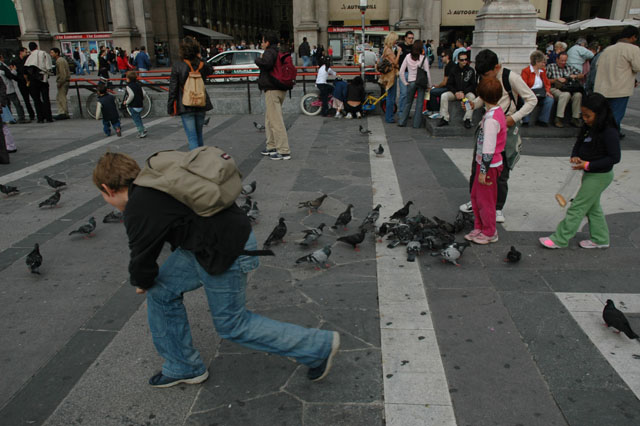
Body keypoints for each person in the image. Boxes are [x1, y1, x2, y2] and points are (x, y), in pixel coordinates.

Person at [91, 152, 340, 387]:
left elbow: (142, 256)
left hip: (227, 249)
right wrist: (146, 278)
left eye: (102, 195)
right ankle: (183, 366)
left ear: (107, 189)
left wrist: (140, 280)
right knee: (161, 291)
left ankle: (317, 347)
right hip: (204, 245)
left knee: (232, 324)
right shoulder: (154, 182)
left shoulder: (139, 205)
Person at [461, 49, 537, 224]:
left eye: (487, 74)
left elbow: (532, 100)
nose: (485, 78)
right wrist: (474, 104)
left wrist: (514, 118)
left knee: (501, 171)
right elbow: (484, 97)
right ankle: (475, 201)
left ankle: (497, 207)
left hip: (505, 129)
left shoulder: (511, 78)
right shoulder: (486, 76)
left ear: (496, 67)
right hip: (487, 126)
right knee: (478, 165)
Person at [539, 93, 620, 249]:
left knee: (578, 206)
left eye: (588, 116)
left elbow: (614, 157)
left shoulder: (609, 131)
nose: (585, 119)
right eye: (583, 115)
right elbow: (579, 142)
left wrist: (588, 165)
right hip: (589, 173)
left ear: (600, 114)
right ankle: (601, 238)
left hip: (600, 175)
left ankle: (560, 239)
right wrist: (575, 155)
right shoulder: (589, 127)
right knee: (592, 207)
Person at [464, 77, 506, 245]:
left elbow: (488, 148)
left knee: (485, 201)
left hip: (488, 165)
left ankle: (489, 231)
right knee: (476, 196)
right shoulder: (496, 112)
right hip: (487, 163)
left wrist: (482, 171)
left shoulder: (491, 120)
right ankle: (479, 226)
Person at [167, 37, 213, 151]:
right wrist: (200, 58)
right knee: (199, 136)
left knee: (192, 138)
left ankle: (196, 163)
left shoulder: (178, 65)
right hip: (201, 103)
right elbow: (211, 69)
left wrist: (170, 107)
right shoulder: (202, 64)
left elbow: (173, 88)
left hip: (186, 104)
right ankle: (201, 159)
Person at [595, 25, 640, 133]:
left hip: (602, 89)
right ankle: (610, 139)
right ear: (633, 37)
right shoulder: (633, 49)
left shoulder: (608, 49)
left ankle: (602, 136)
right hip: (620, 90)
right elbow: (637, 66)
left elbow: (597, 65)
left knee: (603, 116)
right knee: (615, 118)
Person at [256, 34, 291, 160]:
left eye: (263, 41)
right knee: (269, 118)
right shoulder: (279, 51)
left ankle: (283, 150)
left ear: (268, 42)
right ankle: (271, 146)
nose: (261, 43)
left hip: (272, 89)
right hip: (281, 88)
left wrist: (258, 60)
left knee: (275, 120)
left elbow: (266, 64)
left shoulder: (269, 52)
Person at [437, 50, 476, 128]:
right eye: (462, 60)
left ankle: (467, 119)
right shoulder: (453, 70)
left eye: (466, 59)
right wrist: (455, 92)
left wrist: (464, 92)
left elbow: (473, 85)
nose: (464, 61)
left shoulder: (470, 71)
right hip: (455, 93)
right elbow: (449, 84)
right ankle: (444, 118)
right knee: (444, 96)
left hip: (465, 93)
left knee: (471, 97)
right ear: (458, 60)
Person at [398, 40, 432, 128]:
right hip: (421, 83)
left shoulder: (408, 57)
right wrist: (429, 85)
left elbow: (401, 72)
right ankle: (416, 124)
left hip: (411, 82)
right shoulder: (423, 58)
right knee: (419, 104)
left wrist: (405, 82)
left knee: (408, 102)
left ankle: (402, 121)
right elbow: (427, 73)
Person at [547, 52, 583, 128]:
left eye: (565, 60)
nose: (563, 62)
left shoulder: (569, 67)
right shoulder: (551, 67)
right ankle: (559, 118)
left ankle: (575, 118)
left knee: (578, 95)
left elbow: (582, 75)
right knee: (565, 95)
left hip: (568, 88)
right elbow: (545, 80)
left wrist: (575, 76)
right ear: (557, 59)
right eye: (562, 60)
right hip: (555, 88)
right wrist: (556, 80)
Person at [520, 50, 553, 127]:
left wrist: (547, 91)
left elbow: (547, 83)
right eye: (542, 62)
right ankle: (526, 120)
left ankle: (543, 120)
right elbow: (524, 85)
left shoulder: (543, 71)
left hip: (541, 93)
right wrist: (529, 94)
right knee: (526, 99)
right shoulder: (526, 71)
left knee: (550, 100)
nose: (544, 64)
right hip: (529, 93)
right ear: (537, 62)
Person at [24, 42, 53, 123]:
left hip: (33, 80)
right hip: (42, 78)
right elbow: (49, 67)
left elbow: (25, 70)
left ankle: (40, 118)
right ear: (37, 46)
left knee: (36, 100)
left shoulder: (28, 57)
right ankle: (48, 117)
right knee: (45, 99)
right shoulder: (43, 54)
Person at [378, 32, 401, 123]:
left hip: (389, 75)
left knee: (390, 96)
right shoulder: (388, 50)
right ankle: (389, 117)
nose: (396, 41)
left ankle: (389, 116)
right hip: (390, 76)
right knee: (391, 97)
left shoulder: (386, 49)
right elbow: (395, 62)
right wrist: (398, 53)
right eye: (395, 39)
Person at [426, 49, 454, 117]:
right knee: (430, 91)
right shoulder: (451, 64)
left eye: (442, 56)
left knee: (432, 91)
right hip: (449, 86)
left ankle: (435, 110)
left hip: (449, 88)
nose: (441, 58)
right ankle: (429, 109)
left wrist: (437, 86)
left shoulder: (448, 66)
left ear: (447, 56)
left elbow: (444, 82)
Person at [0, 53, 26, 123]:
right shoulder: (2, 67)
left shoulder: (2, 66)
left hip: (2, 90)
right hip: (8, 88)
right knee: (16, 103)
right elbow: (10, 76)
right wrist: (14, 70)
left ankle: (9, 118)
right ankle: (21, 118)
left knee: (7, 105)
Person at [10, 48, 35, 122]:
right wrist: (18, 79)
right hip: (21, 82)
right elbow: (13, 73)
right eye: (25, 52)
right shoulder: (15, 61)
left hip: (29, 81)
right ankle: (31, 115)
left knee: (35, 97)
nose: (27, 53)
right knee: (26, 100)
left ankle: (40, 113)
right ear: (21, 52)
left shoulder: (27, 59)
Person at [124, 71, 147, 138]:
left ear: (128, 78)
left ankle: (141, 132)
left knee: (136, 120)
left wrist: (126, 102)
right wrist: (142, 99)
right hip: (140, 104)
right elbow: (144, 93)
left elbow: (131, 95)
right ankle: (143, 128)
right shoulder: (138, 84)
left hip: (133, 105)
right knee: (138, 118)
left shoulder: (128, 86)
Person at [397, 31, 415, 118]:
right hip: (403, 72)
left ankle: (406, 112)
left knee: (409, 94)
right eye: (409, 38)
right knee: (403, 93)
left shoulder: (414, 47)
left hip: (412, 73)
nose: (411, 40)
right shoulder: (400, 46)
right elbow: (397, 59)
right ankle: (401, 113)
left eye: (412, 38)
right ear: (405, 38)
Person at [50, 48, 70, 120]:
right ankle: (63, 112)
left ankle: (63, 113)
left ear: (57, 53)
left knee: (61, 97)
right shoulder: (61, 60)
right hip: (65, 81)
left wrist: (60, 82)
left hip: (63, 82)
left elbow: (62, 73)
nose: (51, 54)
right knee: (59, 97)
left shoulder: (59, 61)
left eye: (52, 53)